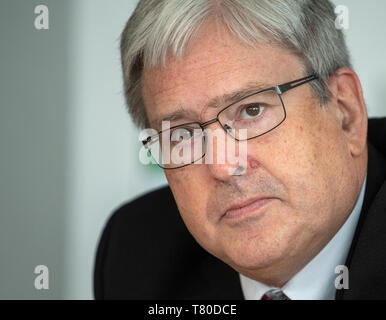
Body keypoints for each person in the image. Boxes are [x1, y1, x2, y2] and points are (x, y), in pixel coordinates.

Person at [94, 0, 386, 300]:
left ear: (345, 112)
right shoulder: (136, 257)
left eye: (251, 110)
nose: (223, 167)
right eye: (182, 135)